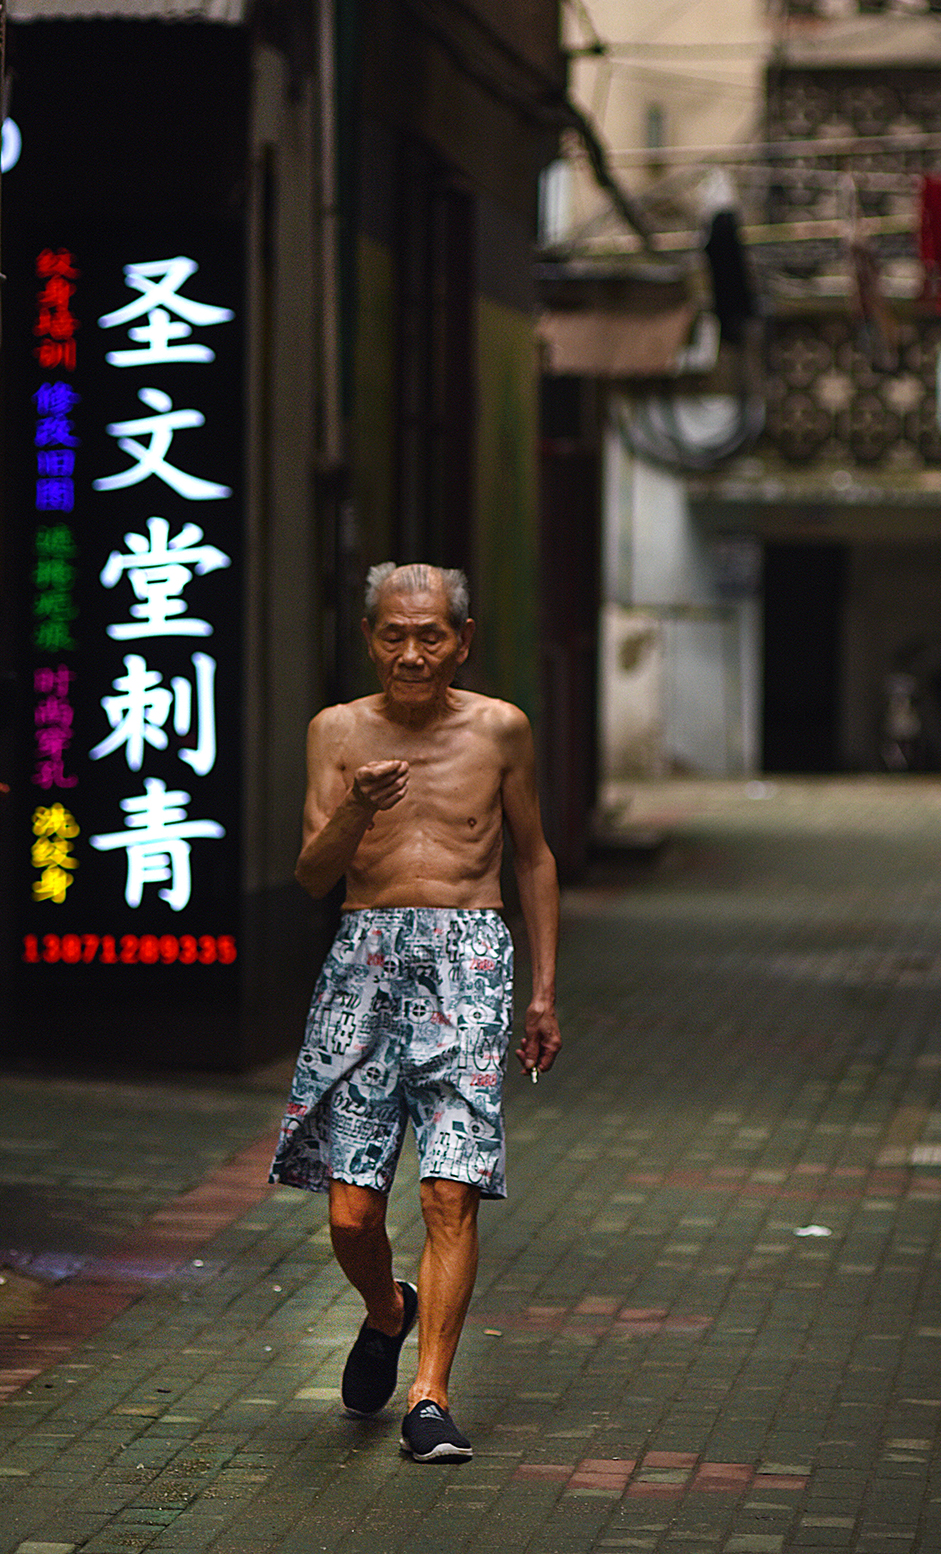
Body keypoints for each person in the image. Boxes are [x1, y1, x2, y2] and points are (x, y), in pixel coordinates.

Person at [268, 561, 562, 1463]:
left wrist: (542, 988)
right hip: (362, 959)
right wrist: (355, 806)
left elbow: (533, 859)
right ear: (368, 639)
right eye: (392, 635)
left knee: (448, 1190)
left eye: (429, 634)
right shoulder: (337, 732)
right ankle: (386, 1311)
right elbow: (313, 875)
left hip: (471, 958)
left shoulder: (499, 730)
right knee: (351, 1213)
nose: (411, 652)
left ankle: (430, 1395)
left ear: (461, 640)